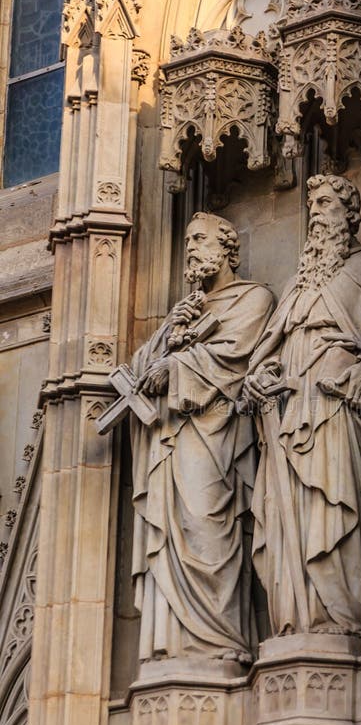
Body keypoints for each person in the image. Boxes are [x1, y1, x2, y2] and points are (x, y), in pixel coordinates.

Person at [131, 212, 273, 664]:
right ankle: (174, 646)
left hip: (217, 438)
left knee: (209, 530)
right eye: (187, 240)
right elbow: (138, 370)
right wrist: (166, 337)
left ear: (228, 248)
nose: (190, 248)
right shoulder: (183, 312)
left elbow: (235, 358)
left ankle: (220, 641)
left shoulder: (253, 299)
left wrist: (175, 367)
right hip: (170, 439)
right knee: (173, 539)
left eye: (200, 239)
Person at [241, 175, 361, 637]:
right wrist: (260, 377)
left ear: (348, 213)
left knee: (332, 508)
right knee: (285, 518)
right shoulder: (297, 284)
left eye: (326, 203)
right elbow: (268, 350)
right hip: (288, 414)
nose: (316, 212)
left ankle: (340, 618)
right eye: (312, 204)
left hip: (335, 414)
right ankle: (297, 619)